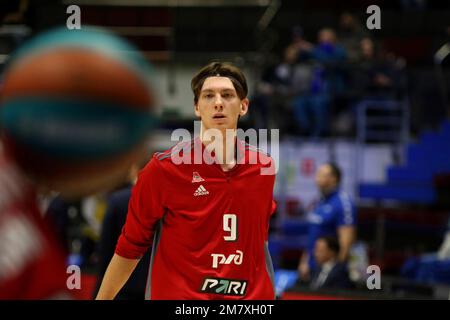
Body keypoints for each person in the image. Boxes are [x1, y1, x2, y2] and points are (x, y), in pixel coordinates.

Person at [96, 62, 277, 300]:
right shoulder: (164, 169)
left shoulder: (264, 168)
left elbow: (259, 245)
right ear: (197, 108)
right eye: (209, 95)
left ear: (243, 106)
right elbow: (130, 246)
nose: (218, 102)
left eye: (228, 95)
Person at [297, 163, 357, 282]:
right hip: (312, 267)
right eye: (317, 174)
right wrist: (304, 262)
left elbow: (346, 241)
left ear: (334, 179)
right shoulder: (319, 201)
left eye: (321, 174)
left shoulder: (343, 203)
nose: (317, 177)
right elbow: (312, 237)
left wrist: (335, 271)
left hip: (327, 271)